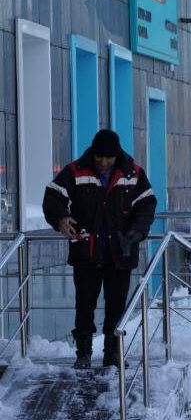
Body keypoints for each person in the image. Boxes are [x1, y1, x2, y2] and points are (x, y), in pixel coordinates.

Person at [42, 129, 156, 369]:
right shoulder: (75, 170)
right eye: (99, 157)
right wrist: (61, 218)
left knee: (117, 305)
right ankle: (83, 352)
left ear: (117, 155)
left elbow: (146, 204)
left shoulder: (134, 173)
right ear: (93, 153)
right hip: (87, 251)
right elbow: (53, 197)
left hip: (120, 252)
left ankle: (112, 353)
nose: (103, 162)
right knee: (85, 304)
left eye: (109, 158)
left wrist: (138, 230)